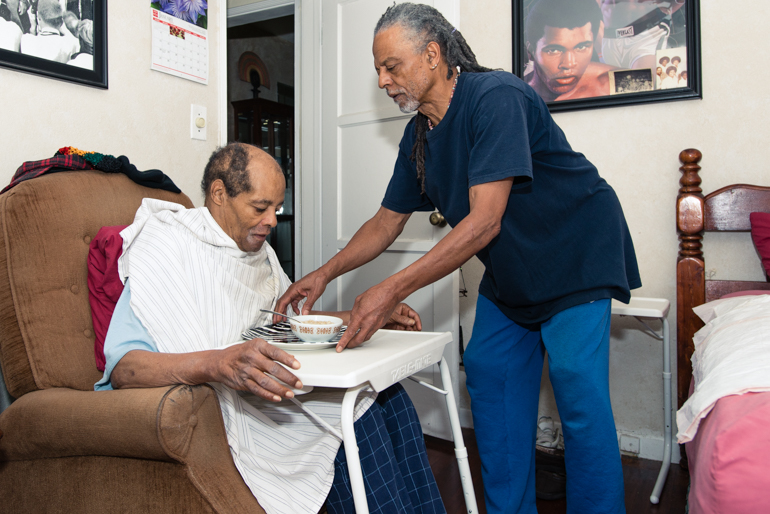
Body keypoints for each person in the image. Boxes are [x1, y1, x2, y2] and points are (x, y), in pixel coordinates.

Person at [276, 3, 640, 513]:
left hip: (576, 251)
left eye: (391, 66)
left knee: (578, 391)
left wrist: (390, 289)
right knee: (489, 374)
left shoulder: (497, 97)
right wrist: (323, 273)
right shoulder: (418, 136)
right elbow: (386, 222)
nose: (382, 80)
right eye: (378, 69)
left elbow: (485, 220)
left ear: (432, 54)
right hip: (514, 271)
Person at [96, 142, 446, 514]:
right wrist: (218, 364)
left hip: (270, 388)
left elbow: (288, 326)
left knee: (391, 398)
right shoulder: (167, 248)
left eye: (275, 209)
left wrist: (367, 316)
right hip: (231, 404)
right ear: (219, 194)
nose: (272, 221)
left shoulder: (259, 252)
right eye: (260, 207)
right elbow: (125, 369)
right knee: (359, 418)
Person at [525, 0, 615, 102]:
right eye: (554, 50)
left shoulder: (610, 84)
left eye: (581, 48)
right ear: (531, 52)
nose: (569, 64)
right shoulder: (517, 94)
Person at [598, 0, 685, 70]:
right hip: (610, 40)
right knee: (613, 85)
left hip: (645, 37)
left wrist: (669, 9)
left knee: (640, 83)